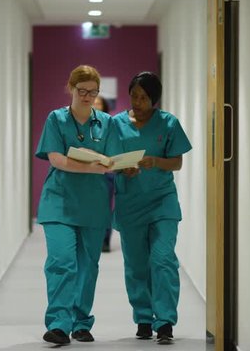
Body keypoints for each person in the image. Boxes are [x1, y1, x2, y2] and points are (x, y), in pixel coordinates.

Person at [35, 65, 117, 345]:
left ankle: (81, 322)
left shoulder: (106, 122)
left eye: (93, 92)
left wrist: (119, 165)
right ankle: (59, 323)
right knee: (61, 262)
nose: (87, 96)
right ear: (70, 89)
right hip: (58, 202)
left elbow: (114, 157)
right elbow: (56, 159)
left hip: (93, 205)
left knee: (88, 266)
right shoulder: (56, 119)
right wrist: (94, 168)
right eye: (82, 91)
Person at [111, 72, 192, 344]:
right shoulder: (116, 124)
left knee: (162, 258)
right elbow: (108, 160)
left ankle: (165, 320)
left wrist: (156, 161)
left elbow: (177, 162)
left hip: (162, 202)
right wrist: (123, 168)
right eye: (134, 95)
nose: (137, 101)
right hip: (130, 202)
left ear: (154, 99)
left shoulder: (168, 123)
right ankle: (144, 318)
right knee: (135, 264)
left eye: (143, 97)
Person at [93, 95, 115, 253]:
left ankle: (105, 240)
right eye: (94, 103)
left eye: (99, 103)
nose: (96, 105)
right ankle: (93, 238)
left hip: (107, 172)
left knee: (105, 208)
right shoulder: (82, 125)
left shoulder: (110, 124)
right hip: (88, 172)